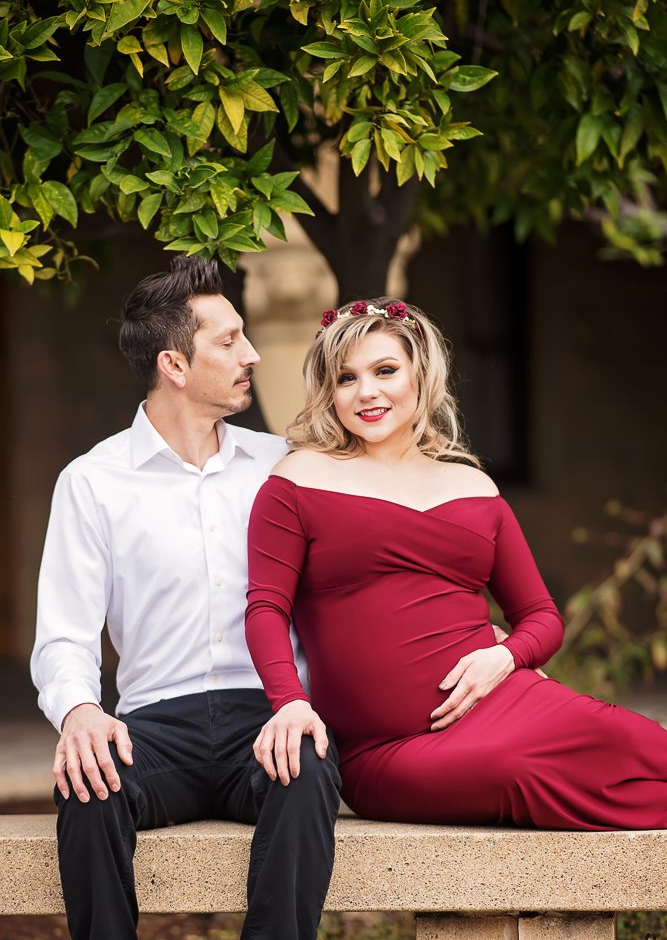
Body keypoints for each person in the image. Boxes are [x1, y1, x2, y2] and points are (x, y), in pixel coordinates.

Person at [245, 298, 667, 830]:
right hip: (388, 751)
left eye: (385, 371)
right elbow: (265, 607)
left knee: (639, 742)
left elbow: (541, 617)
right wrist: (290, 703)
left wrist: (506, 658)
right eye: (345, 378)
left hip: (510, 698)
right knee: (516, 773)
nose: (366, 392)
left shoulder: (473, 487)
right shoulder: (300, 478)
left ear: (421, 375)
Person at [31, 257, 341, 940]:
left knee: (310, 767)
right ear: (174, 364)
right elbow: (63, 635)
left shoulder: (280, 464)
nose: (251, 354)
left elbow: (352, 581)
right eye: (228, 342)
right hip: (153, 730)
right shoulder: (93, 481)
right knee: (87, 780)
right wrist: (81, 712)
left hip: (265, 721)